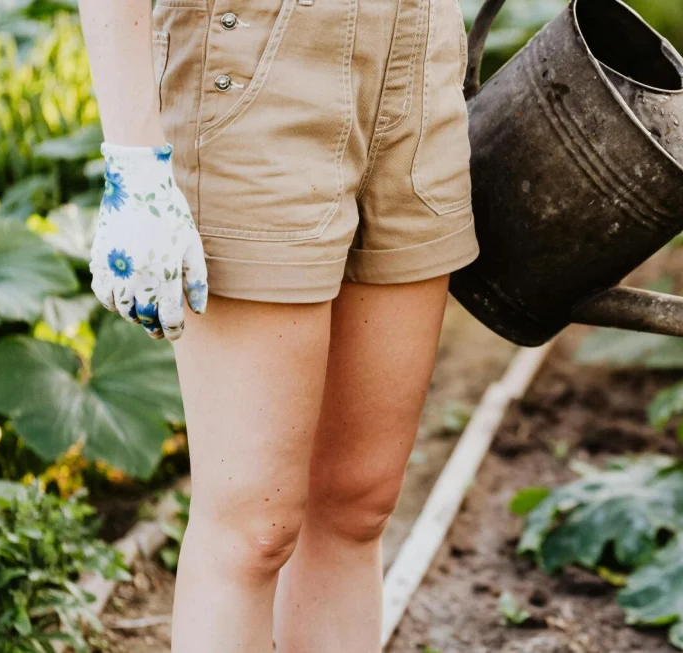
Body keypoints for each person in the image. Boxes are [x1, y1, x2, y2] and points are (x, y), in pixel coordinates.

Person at [77, 0, 478, 649]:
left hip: (419, 52)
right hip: (255, 61)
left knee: (359, 501)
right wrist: (133, 160)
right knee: (252, 528)